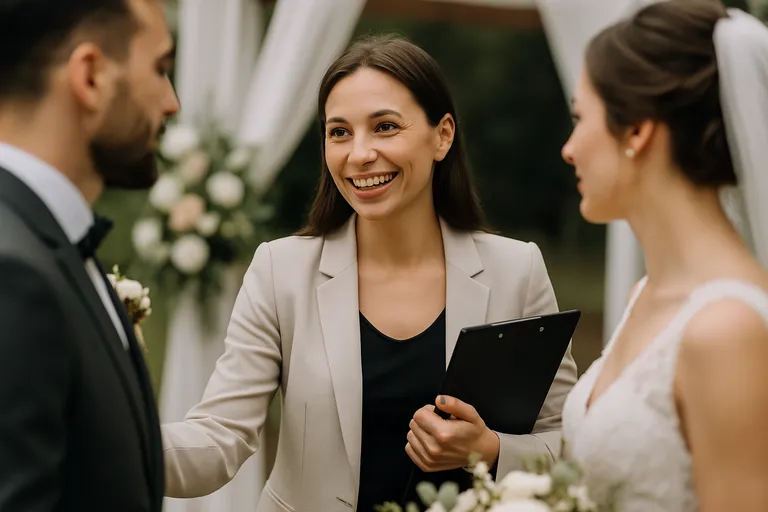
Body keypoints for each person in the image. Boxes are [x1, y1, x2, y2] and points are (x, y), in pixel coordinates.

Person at [162, 35, 578, 511]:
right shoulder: (281, 271)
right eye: (339, 132)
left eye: (384, 127)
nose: (359, 154)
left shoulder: (516, 270)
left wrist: (492, 451)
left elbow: (569, 442)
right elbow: (219, 439)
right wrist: (109, 441)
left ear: (443, 135)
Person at [561, 1, 768, 510]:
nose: (568, 148)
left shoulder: (728, 329)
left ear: (636, 131)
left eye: (580, 117)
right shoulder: (643, 296)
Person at [0, 1, 179, 511]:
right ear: (92, 76)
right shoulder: (13, 274)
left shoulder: (52, 243)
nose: (171, 103)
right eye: (161, 69)